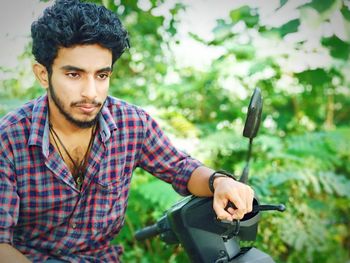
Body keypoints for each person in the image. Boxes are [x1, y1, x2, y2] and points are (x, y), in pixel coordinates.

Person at [0, 0, 254, 262]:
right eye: (74, 75)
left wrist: (220, 181)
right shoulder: (9, 138)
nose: (91, 92)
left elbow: (181, 168)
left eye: (101, 75)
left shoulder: (132, 124)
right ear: (43, 74)